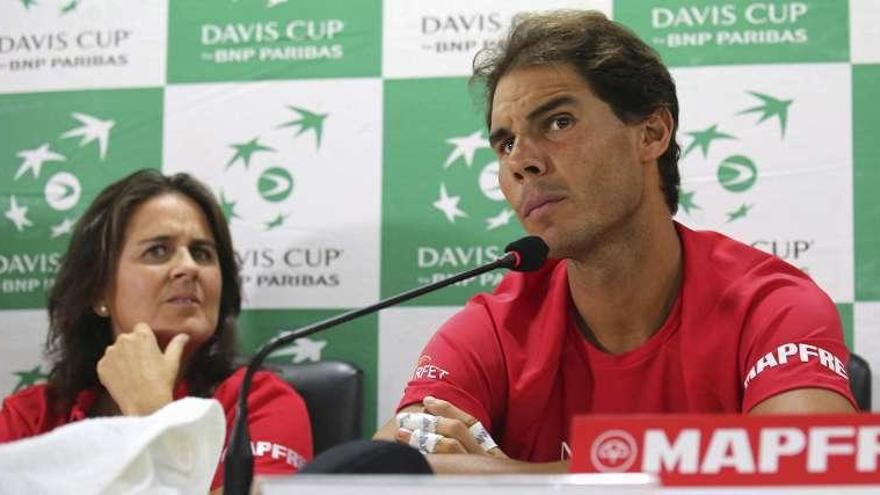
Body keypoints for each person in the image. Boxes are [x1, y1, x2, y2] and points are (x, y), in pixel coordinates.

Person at [374, 10, 856, 473]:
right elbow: (384, 474)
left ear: (651, 132)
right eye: (507, 144)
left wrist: (512, 478)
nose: (523, 161)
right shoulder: (498, 329)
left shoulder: (770, 306)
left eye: (558, 121)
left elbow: (806, 474)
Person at [0, 169, 313, 492]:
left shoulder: (259, 401)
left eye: (202, 253)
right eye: (158, 251)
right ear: (98, 291)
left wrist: (152, 413)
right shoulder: (32, 416)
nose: (189, 267)